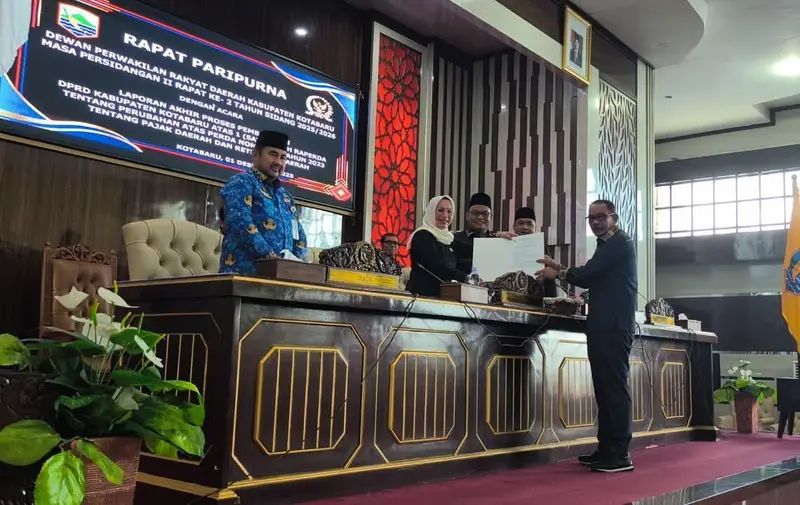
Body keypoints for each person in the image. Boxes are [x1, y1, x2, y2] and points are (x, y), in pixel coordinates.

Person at [535, 199, 637, 473]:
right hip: (604, 325)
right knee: (603, 389)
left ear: (614, 217)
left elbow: (588, 275)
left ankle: (620, 454)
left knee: (613, 389)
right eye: (591, 218)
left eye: (600, 217)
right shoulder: (606, 244)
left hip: (613, 326)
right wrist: (558, 266)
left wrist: (557, 272)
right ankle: (606, 449)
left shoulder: (619, 242)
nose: (595, 222)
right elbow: (593, 274)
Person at [219, 130, 308, 275]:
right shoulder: (242, 182)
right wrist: (270, 257)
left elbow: (297, 233)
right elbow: (240, 222)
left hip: (280, 277)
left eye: (283, 157)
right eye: (272, 154)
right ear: (255, 155)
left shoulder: (286, 196)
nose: (278, 162)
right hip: (243, 276)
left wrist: (297, 264)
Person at [406, 196, 466, 297]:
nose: (445, 215)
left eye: (449, 212)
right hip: (421, 297)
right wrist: (464, 277)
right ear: (431, 211)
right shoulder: (422, 235)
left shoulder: (450, 239)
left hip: (445, 297)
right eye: (440, 210)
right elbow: (436, 265)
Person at [453, 192, 514, 275]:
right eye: (475, 213)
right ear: (467, 215)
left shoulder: (498, 242)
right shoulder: (454, 239)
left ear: (491, 217)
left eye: (485, 214)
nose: (480, 217)